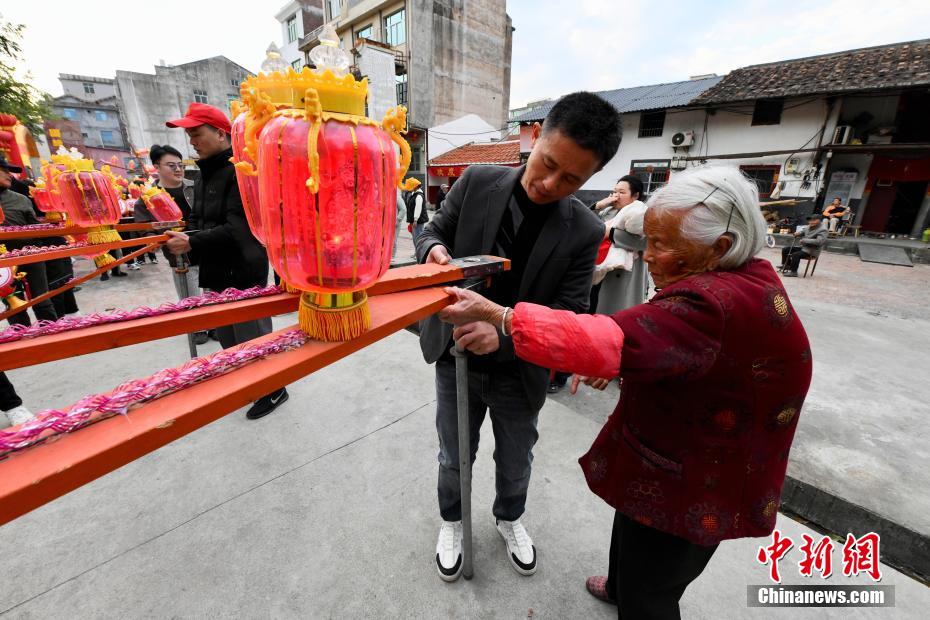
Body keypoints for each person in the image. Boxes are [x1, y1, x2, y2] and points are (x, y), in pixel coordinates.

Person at [438, 165, 811, 619]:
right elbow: (684, 355)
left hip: (699, 477)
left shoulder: (712, 303)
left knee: (651, 590)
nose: (647, 256)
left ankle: (625, 591)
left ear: (720, 247)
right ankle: (616, 584)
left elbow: (605, 335)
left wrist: (502, 317)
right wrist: (630, 363)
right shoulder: (747, 276)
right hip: (668, 455)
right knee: (630, 527)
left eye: (660, 244)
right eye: (647, 240)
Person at [415, 91, 622, 582]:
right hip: (455, 355)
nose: (549, 183)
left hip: (519, 369)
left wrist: (504, 337)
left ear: (592, 178)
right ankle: (452, 519)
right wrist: (436, 249)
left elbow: (570, 314)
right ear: (535, 138)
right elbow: (431, 229)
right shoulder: (477, 180)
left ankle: (509, 517)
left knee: (515, 457)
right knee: (453, 453)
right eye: (547, 164)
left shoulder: (584, 230)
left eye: (571, 178)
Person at [164, 103, 288, 419]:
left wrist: (192, 240)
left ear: (221, 133)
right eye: (188, 134)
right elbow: (203, 221)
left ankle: (274, 388)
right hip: (216, 267)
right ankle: (249, 382)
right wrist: (183, 233)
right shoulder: (204, 176)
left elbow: (237, 229)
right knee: (228, 337)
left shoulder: (240, 170)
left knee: (252, 336)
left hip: (243, 266)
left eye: (196, 133)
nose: (191, 140)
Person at [136, 144, 207, 345]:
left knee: (210, 288)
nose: (178, 169)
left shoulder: (195, 186)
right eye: (171, 165)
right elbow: (143, 223)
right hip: (178, 253)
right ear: (157, 166)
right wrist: (153, 237)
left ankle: (214, 324)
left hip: (204, 244)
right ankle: (197, 327)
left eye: (180, 165)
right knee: (189, 292)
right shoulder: (150, 196)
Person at [0, 155, 59, 326]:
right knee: (13, 303)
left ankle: (53, 336)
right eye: (4, 171)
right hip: (4, 263)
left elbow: (36, 228)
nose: (9, 175)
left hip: (31, 255)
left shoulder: (21, 199)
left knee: (42, 300)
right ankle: (21, 338)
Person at [594, 175, 649, 314]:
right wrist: (597, 206)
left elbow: (645, 242)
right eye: (615, 191)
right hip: (599, 268)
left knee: (617, 311)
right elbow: (587, 227)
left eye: (622, 192)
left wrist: (611, 233)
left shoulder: (641, 215)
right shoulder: (607, 212)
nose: (616, 196)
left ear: (635, 195)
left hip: (623, 273)